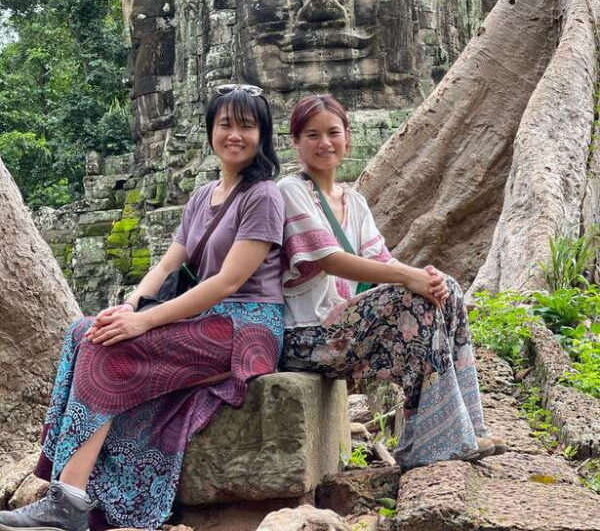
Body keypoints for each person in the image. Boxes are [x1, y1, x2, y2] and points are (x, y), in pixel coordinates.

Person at [0, 85, 285, 531]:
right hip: (205, 318)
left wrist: (144, 322)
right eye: (225, 124)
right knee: (85, 329)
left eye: (247, 126)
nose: (235, 135)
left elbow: (227, 281)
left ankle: (69, 501)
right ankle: (64, 486)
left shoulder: (264, 195)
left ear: (262, 135)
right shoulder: (202, 195)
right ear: (210, 130)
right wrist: (129, 304)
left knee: (108, 350)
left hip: (246, 329)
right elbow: (170, 262)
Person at [278, 94, 504, 470]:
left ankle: (464, 428)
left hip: (345, 332)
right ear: (296, 143)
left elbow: (381, 260)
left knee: (446, 289)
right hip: (307, 338)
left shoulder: (354, 200)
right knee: (411, 296)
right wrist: (408, 278)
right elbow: (328, 259)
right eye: (312, 135)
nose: (324, 143)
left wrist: (426, 278)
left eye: (333, 133)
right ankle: (433, 442)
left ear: (347, 138)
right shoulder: (290, 192)